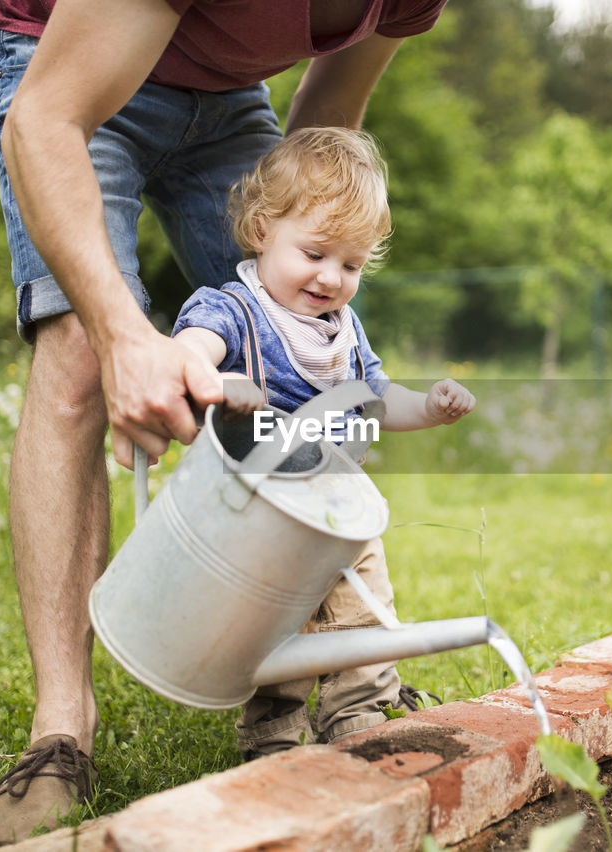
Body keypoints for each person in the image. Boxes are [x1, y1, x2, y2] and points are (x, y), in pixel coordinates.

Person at [0, 0, 449, 847]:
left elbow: (325, 130)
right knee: (81, 349)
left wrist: (309, 314)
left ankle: (354, 682)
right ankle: (59, 733)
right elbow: (44, 118)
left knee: (305, 366)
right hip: (69, 74)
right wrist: (128, 338)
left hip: (229, 99)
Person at [172, 126, 474, 759]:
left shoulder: (342, 329)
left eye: (352, 264)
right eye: (315, 254)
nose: (332, 277)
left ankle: (362, 710)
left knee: (364, 604)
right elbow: (191, 352)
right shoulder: (235, 311)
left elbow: (376, 397)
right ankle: (275, 729)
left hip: (340, 505)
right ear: (261, 231)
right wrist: (219, 381)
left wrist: (428, 408)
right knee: (275, 616)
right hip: (261, 509)